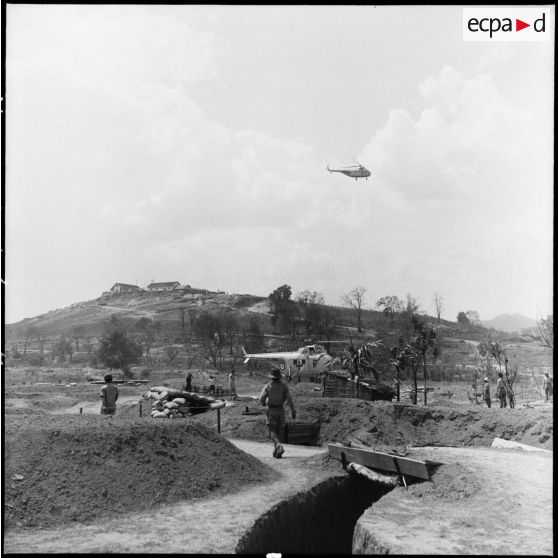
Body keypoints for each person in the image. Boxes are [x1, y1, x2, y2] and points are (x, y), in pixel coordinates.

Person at [259, 368, 296, 458]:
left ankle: (279, 446)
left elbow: (261, 399)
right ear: (279, 377)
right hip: (281, 412)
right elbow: (290, 400)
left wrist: (264, 403)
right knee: (278, 433)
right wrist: (293, 411)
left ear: (271, 378)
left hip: (272, 411)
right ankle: (277, 452)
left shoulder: (268, 386)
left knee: (272, 431)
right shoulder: (283, 386)